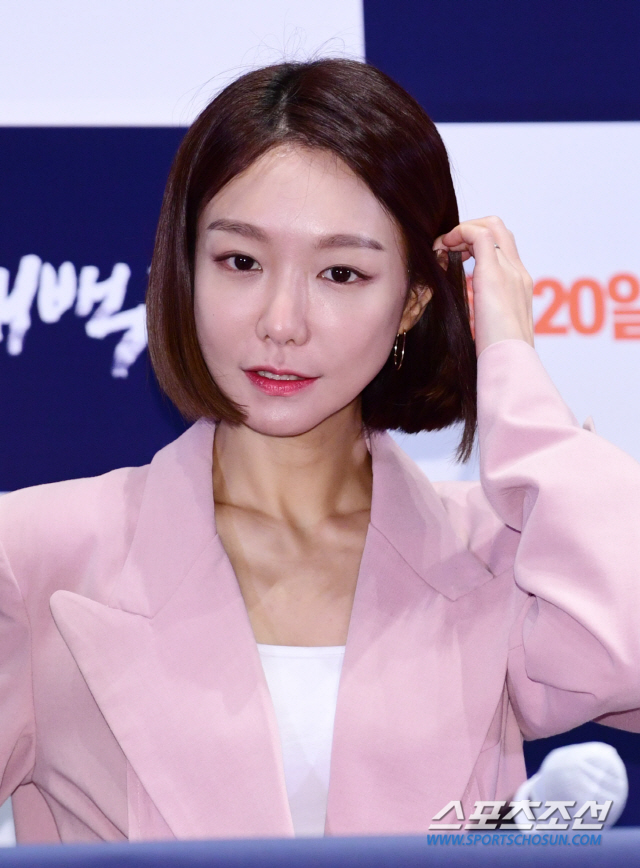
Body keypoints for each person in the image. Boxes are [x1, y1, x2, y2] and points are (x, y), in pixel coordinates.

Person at [1, 58, 640, 844]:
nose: (282, 321)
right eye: (241, 262)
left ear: (412, 300)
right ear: (186, 268)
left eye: (341, 273)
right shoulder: (36, 555)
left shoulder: (493, 555)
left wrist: (510, 360)